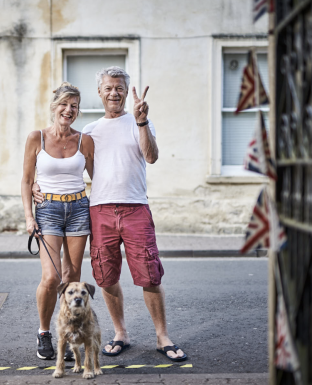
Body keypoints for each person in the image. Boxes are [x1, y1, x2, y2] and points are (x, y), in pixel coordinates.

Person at [33, 67, 187, 362]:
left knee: (150, 275)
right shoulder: (89, 131)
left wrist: (141, 121)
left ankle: (162, 336)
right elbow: (68, 165)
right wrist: (37, 185)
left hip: (135, 207)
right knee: (105, 277)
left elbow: (151, 156)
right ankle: (121, 334)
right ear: (100, 93)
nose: (114, 92)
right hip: (99, 210)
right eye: (108, 88)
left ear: (125, 92)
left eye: (119, 88)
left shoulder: (139, 122)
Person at [21, 82, 94, 361]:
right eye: (64, 104)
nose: (69, 110)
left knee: (71, 278)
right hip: (48, 209)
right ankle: (44, 332)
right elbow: (27, 180)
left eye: (74, 106)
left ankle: (69, 332)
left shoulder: (83, 140)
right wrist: (29, 216)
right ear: (54, 107)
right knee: (51, 278)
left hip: (78, 209)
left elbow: (98, 178)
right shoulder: (36, 138)